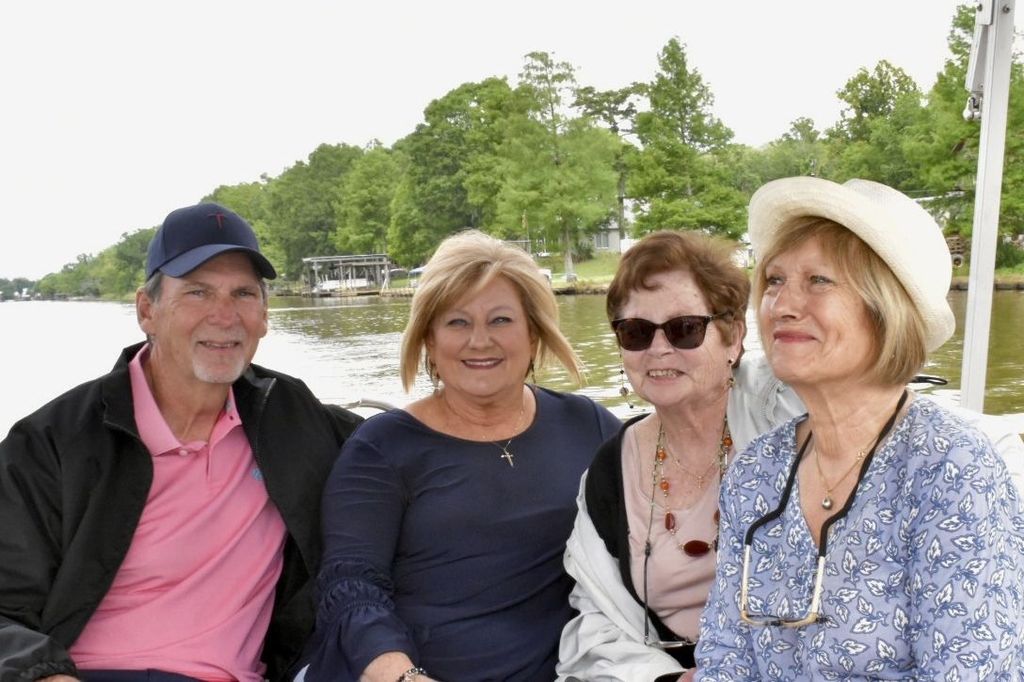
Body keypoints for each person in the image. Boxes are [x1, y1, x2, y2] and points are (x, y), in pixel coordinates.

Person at [0, 203, 361, 682]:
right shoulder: (54, 441)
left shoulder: (291, 417)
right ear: (146, 311)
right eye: (197, 292)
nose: (225, 316)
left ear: (264, 315)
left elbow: (406, 448)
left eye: (243, 294)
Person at [695, 177, 1024, 679]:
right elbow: (724, 654)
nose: (781, 305)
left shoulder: (952, 471)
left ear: (886, 309)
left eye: (819, 281)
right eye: (775, 280)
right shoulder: (757, 470)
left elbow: (970, 670)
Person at [303, 230, 622, 682]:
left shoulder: (589, 426)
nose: (479, 340)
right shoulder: (380, 448)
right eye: (457, 322)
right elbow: (350, 586)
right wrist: (403, 676)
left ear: (533, 334)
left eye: (500, 320)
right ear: (429, 342)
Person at [556, 231, 806, 682]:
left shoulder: (786, 412)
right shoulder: (610, 472)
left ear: (733, 338)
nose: (658, 349)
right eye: (635, 332)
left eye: (685, 328)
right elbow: (596, 621)